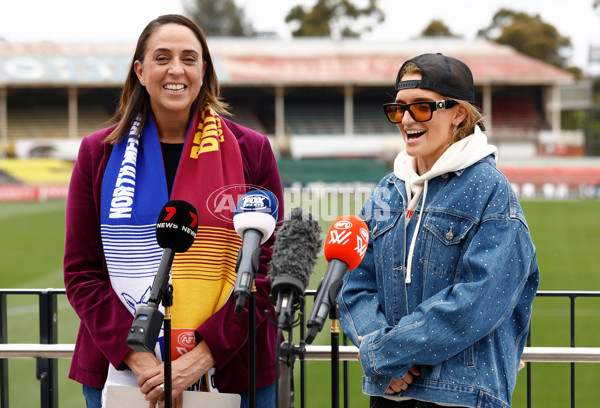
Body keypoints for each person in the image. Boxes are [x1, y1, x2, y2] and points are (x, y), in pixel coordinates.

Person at [63, 14, 283, 408]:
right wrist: (145, 363)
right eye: (162, 57)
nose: (176, 70)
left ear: (204, 70)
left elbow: (269, 266)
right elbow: (82, 272)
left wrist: (197, 360)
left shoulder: (252, 151)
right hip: (123, 375)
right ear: (140, 70)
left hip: (234, 370)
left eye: (189, 58)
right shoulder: (98, 153)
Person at [338, 53, 540, 408]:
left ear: (458, 113)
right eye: (398, 108)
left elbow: (480, 301)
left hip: (462, 396)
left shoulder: (492, 190)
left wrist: (386, 353)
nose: (405, 119)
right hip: (390, 392)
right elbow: (354, 286)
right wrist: (386, 358)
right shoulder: (386, 191)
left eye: (421, 107)